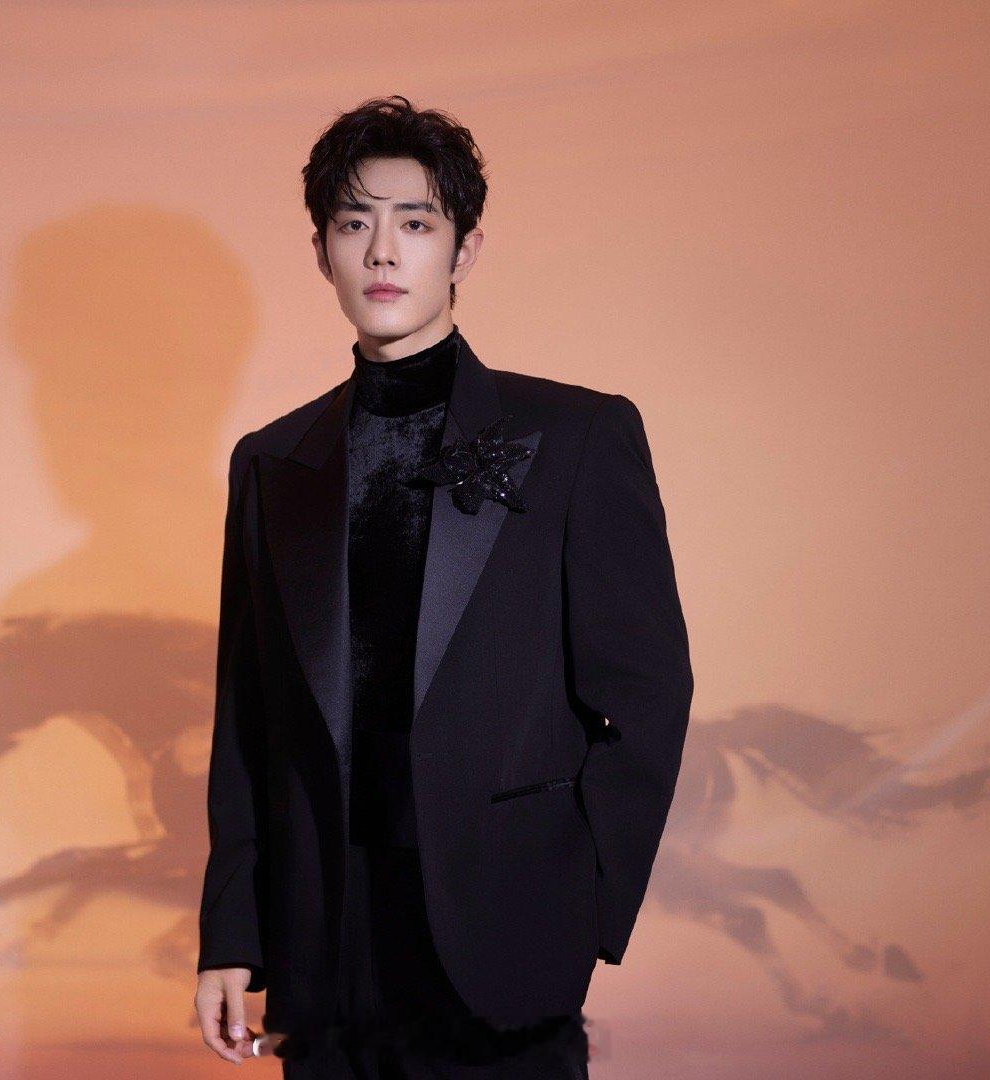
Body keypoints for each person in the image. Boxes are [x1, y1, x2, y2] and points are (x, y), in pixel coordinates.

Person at [194, 94, 693, 1077]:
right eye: (354, 224)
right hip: (328, 951)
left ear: (464, 251)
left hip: (508, 942)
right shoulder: (271, 463)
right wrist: (230, 935)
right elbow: (247, 722)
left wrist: (584, 898)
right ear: (321, 252)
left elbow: (646, 691)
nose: (383, 252)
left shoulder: (576, 437)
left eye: (415, 224)